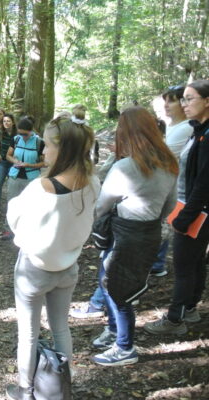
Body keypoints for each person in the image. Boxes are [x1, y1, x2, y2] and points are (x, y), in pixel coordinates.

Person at [5, 117, 100, 399]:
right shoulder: (93, 182)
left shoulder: (41, 188)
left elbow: (15, 221)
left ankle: (26, 390)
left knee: (29, 333)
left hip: (33, 270)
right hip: (68, 268)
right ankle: (60, 388)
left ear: (63, 149)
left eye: (46, 145)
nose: (43, 152)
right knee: (61, 327)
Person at [91, 106, 177, 366]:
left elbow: (101, 206)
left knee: (119, 288)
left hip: (126, 234)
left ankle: (125, 346)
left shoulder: (125, 166)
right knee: (112, 281)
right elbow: (169, 206)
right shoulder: (170, 163)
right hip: (149, 232)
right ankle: (115, 330)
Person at [144, 79, 209, 335]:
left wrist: (186, 217)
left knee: (183, 266)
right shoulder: (199, 130)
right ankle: (190, 309)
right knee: (193, 263)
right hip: (191, 207)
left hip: (196, 211)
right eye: (183, 99)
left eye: (190, 98)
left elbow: (204, 182)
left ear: (207, 101)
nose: (184, 103)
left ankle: (175, 320)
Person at [1, 116, 45, 240]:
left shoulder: (39, 142)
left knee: (31, 206)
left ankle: (27, 231)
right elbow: (8, 155)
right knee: (12, 203)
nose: (22, 136)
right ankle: (8, 230)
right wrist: (15, 160)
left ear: (31, 131)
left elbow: (45, 162)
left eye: (25, 134)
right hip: (15, 176)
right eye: (20, 133)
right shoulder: (15, 139)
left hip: (32, 178)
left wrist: (29, 165)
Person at [0, 114, 17, 212]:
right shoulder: (0, 133)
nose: (6, 123)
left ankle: (12, 206)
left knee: (11, 185)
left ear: (13, 122)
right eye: (4, 121)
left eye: (8, 121)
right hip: (3, 162)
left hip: (14, 163)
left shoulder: (17, 134)